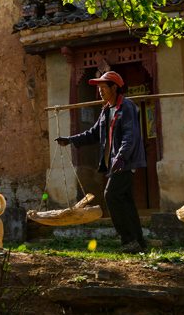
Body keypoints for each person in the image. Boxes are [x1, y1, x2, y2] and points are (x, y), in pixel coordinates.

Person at [56, 71, 148, 253]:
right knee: (126, 202)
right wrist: (70, 140)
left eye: (103, 87)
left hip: (125, 162)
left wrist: (121, 157)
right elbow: (93, 133)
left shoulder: (127, 107)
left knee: (111, 196)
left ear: (115, 88)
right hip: (116, 163)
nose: (100, 91)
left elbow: (131, 135)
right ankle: (139, 243)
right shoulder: (106, 110)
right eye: (99, 87)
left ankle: (129, 241)